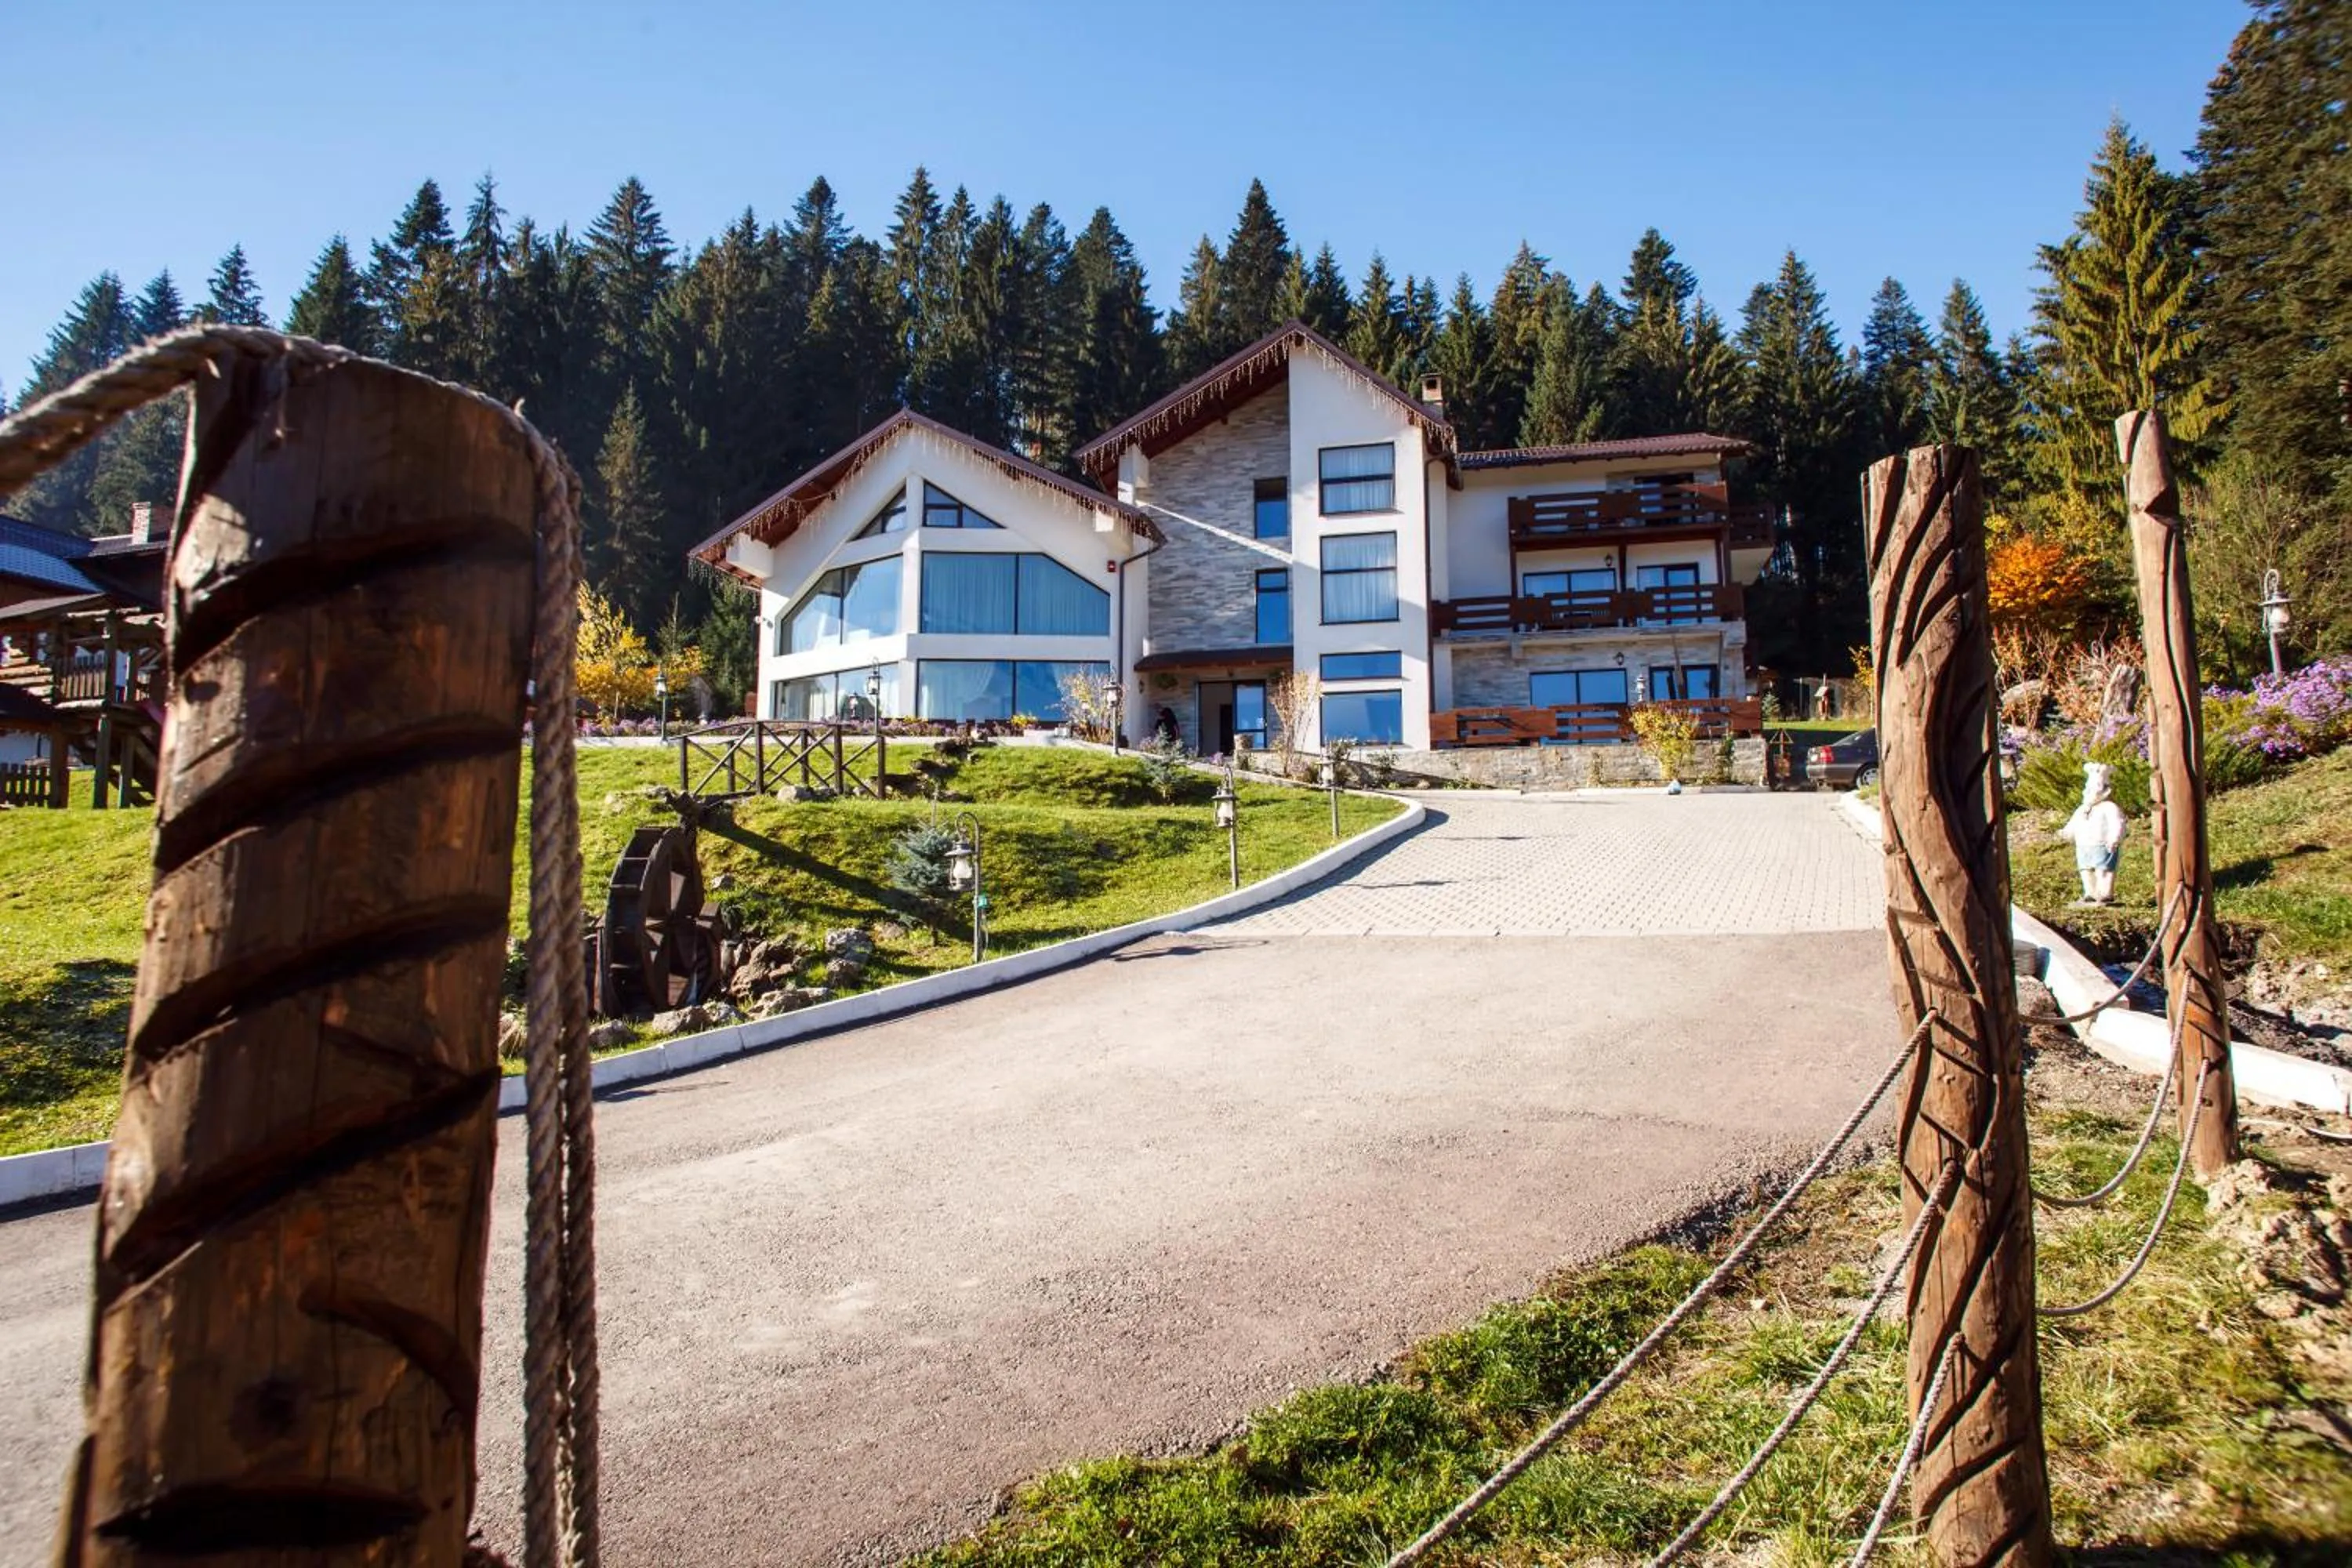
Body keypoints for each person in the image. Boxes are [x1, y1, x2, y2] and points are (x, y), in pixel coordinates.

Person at [2059, 761, 2128, 906]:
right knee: (2086, 869)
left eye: (2093, 790)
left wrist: (2115, 837)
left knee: (2104, 869)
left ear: (2106, 791)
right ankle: (2090, 892)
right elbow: (2074, 823)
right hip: (2084, 845)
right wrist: (2066, 832)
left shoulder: (2110, 807)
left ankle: (2105, 893)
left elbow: (2118, 823)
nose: (2088, 793)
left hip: (2102, 844)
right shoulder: (2082, 809)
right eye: (2087, 790)